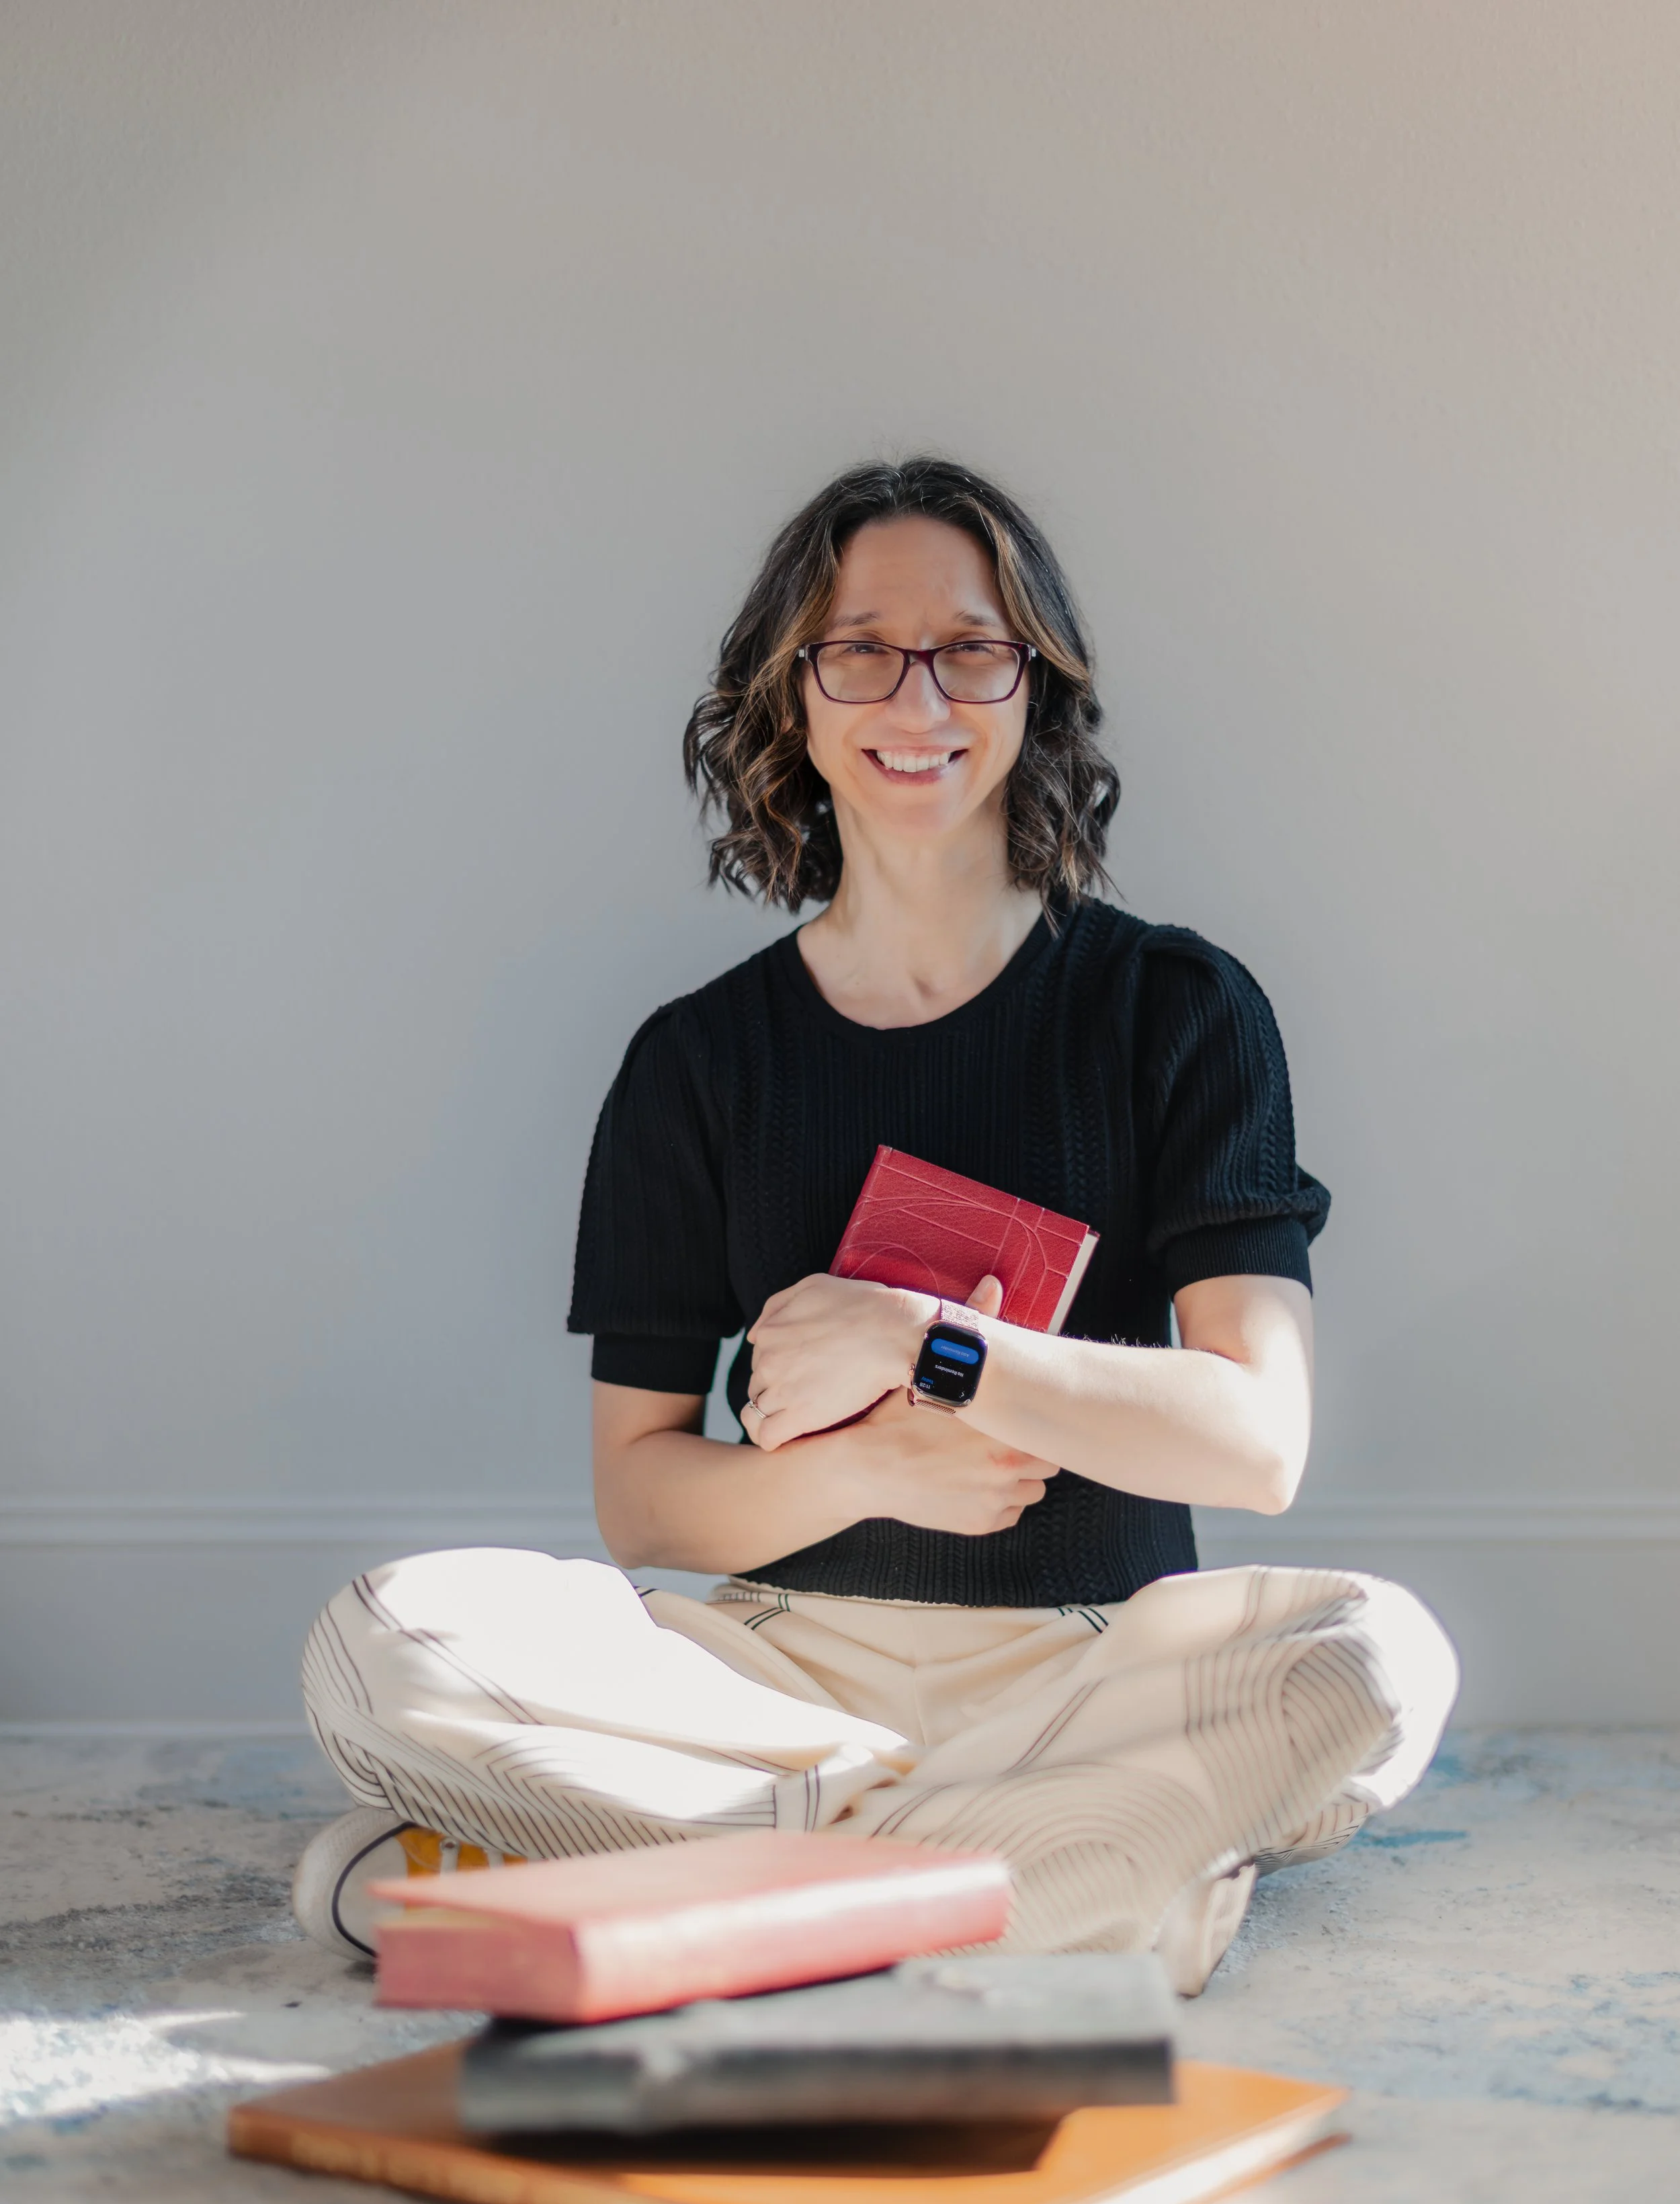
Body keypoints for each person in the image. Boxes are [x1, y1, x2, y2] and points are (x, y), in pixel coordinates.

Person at [291, 456, 1457, 1992]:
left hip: (1087, 1668)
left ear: (1033, 680)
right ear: (792, 691)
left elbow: (1254, 1441)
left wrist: (934, 1346)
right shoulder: (696, 1062)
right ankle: (1055, 1891)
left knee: (1371, 1658)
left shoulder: (1175, 1009)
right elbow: (643, 1506)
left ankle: (645, 1874)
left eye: (970, 647)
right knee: (382, 1635)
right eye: (859, 649)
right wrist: (864, 1465)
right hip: (763, 1673)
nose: (919, 700)